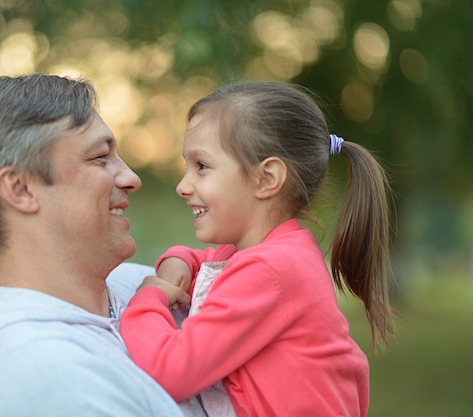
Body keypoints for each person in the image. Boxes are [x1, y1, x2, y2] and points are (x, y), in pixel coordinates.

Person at [0, 73, 204, 417]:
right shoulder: (37, 372)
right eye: (100, 157)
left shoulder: (138, 283)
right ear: (20, 189)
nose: (131, 178)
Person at [119, 81, 397, 417]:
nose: (183, 186)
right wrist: (178, 260)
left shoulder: (270, 270)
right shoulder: (266, 254)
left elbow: (171, 370)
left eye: (202, 167)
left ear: (266, 179)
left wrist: (147, 299)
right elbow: (209, 265)